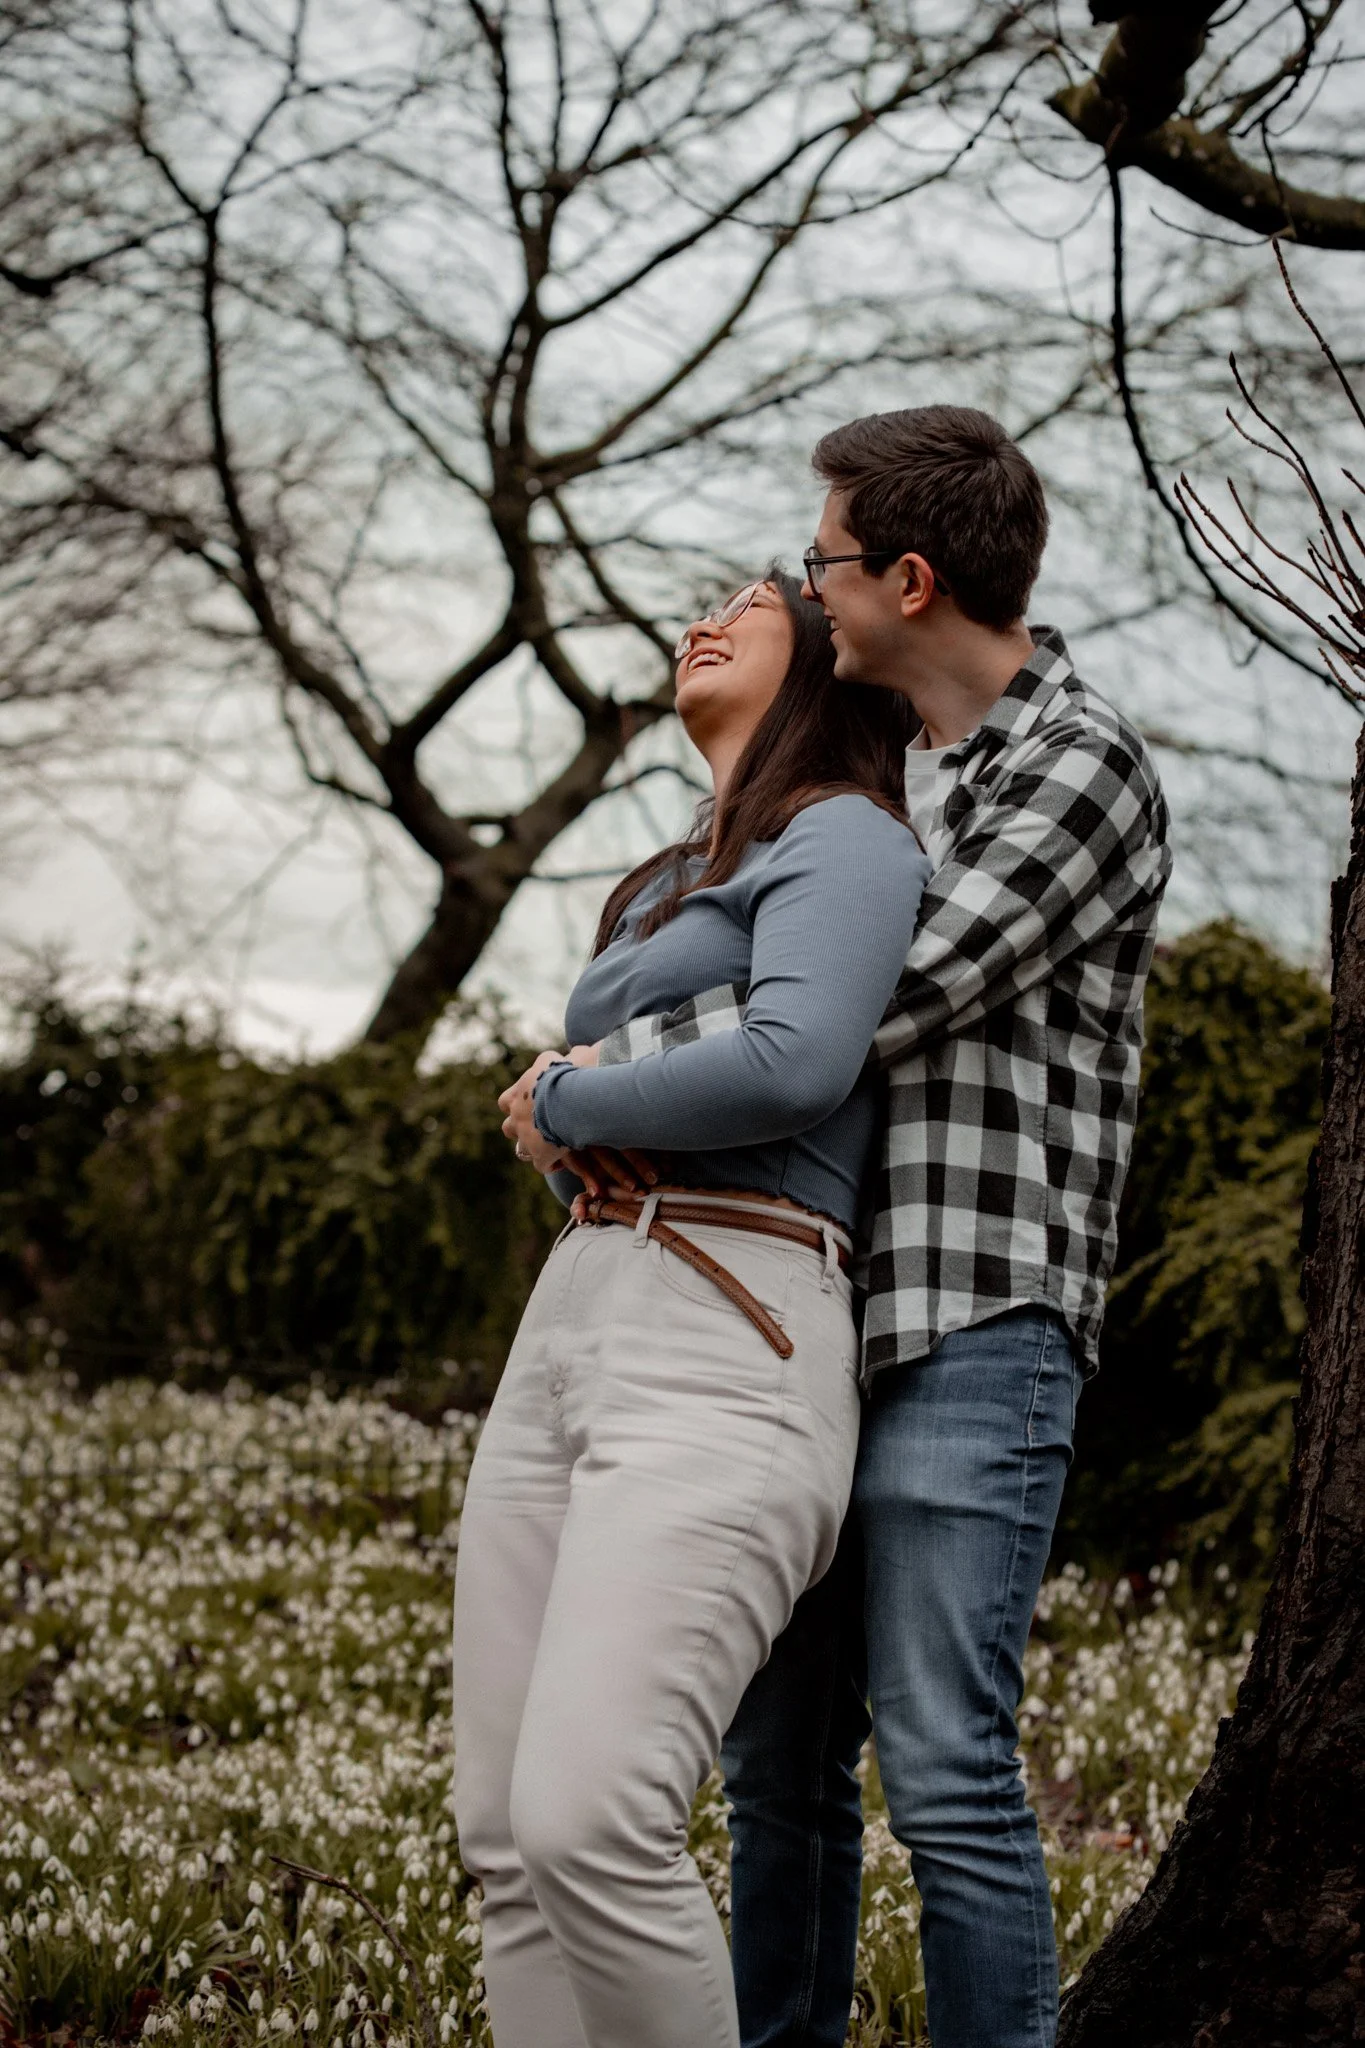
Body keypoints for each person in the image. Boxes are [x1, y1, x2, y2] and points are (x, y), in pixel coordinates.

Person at [558, 406, 1172, 2048]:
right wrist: (629, 1090)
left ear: (910, 575)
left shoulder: (1079, 762)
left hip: (975, 1322)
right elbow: (755, 989)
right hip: (811, 1320)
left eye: (826, 561)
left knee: (946, 1767)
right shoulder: (886, 774)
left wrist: (587, 1086)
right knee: (779, 1772)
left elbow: (860, 1006)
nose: (808, 590)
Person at [452, 567, 932, 2048]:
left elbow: (794, 1062)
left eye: (753, 600)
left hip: (735, 1327)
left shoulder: (847, 838)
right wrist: (569, 1133)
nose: (703, 618)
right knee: (506, 1836)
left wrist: (576, 1088)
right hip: (584, 1299)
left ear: (823, 661)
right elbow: (603, 1138)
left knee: (591, 1818)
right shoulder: (661, 881)